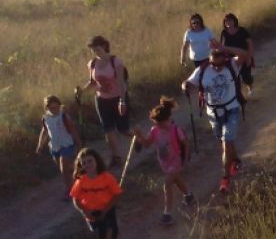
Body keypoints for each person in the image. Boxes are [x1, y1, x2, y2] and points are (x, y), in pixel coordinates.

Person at [182, 48, 243, 193]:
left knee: (226, 142)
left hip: (232, 108)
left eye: (220, 64)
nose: (216, 67)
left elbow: (245, 55)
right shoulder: (202, 70)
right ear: (210, 61)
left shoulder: (232, 64)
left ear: (225, 60)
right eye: (213, 64)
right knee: (226, 141)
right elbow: (188, 83)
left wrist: (224, 47)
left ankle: (225, 179)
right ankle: (236, 161)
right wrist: (185, 86)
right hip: (213, 113)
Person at [131, 97, 193, 225]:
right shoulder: (155, 130)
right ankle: (188, 195)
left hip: (176, 161)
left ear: (167, 119)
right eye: (156, 123)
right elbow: (147, 144)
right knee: (175, 180)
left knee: (167, 184)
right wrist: (139, 135)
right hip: (164, 162)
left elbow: (186, 144)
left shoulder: (176, 130)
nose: (157, 125)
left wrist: (186, 159)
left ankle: (167, 213)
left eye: (160, 123)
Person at [70, 147, 123, 239]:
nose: (88, 165)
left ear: (97, 161)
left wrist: (105, 210)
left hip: (107, 211)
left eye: (90, 161)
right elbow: (75, 199)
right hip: (92, 215)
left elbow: (117, 194)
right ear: (81, 165)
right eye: (84, 163)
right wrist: (84, 212)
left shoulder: (107, 178)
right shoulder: (80, 182)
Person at [79, 35, 129, 168]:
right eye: (93, 49)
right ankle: (116, 157)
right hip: (101, 100)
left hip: (117, 98)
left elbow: (121, 83)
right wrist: (82, 90)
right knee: (108, 129)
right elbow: (92, 83)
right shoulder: (92, 64)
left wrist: (122, 102)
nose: (95, 51)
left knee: (123, 129)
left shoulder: (115, 61)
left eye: (97, 48)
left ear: (104, 46)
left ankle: (139, 138)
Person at [36, 95, 82, 200]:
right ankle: (78, 178)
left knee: (64, 169)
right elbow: (45, 131)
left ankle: (70, 190)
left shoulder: (64, 116)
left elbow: (72, 129)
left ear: (59, 106)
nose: (54, 110)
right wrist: (40, 145)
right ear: (47, 108)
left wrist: (78, 143)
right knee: (66, 169)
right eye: (51, 108)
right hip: (54, 147)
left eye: (56, 107)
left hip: (66, 144)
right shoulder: (46, 118)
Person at [219, 13, 254, 94]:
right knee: (234, 77)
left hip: (244, 56)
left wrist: (250, 56)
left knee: (246, 77)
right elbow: (222, 47)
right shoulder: (224, 32)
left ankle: (250, 88)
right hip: (231, 59)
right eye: (226, 21)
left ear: (234, 21)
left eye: (230, 21)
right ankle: (238, 95)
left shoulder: (242, 30)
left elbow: (250, 43)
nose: (228, 23)